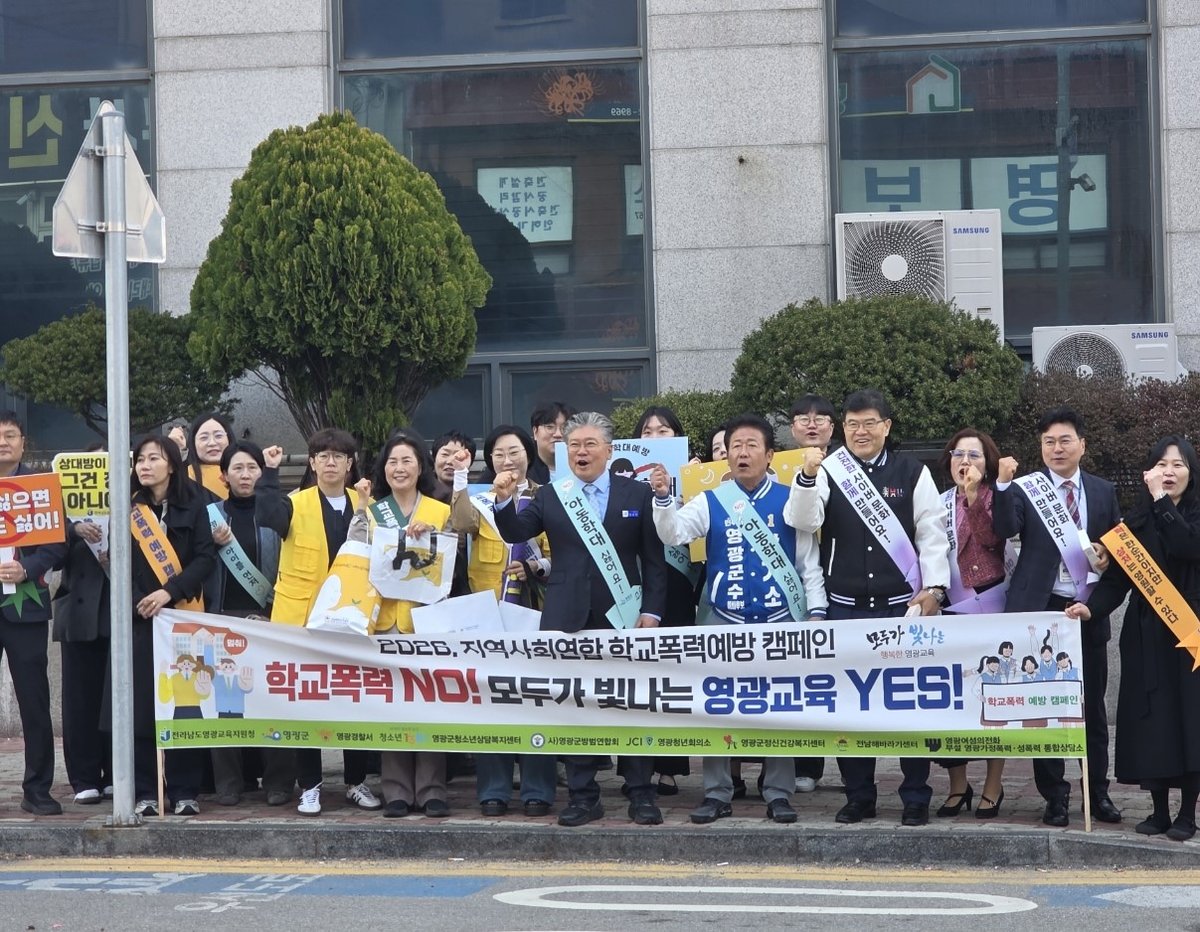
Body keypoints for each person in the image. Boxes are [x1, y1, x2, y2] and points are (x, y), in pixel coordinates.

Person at [493, 411, 667, 827]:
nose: (581, 452)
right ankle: (583, 795)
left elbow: (653, 560)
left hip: (624, 615)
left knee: (632, 703)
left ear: (609, 450)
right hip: (566, 615)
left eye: (590, 444)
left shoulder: (636, 493)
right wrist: (503, 501)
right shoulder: (553, 495)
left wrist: (652, 611)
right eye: (573, 445)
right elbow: (517, 532)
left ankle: (641, 791)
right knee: (573, 705)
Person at [785, 389, 950, 827]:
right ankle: (859, 795)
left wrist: (935, 588)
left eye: (870, 423)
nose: (861, 432)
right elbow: (803, 521)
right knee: (850, 706)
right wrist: (806, 476)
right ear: (843, 428)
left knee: (910, 704)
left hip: (901, 609)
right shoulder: (827, 470)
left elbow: (932, 532)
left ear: (887, 427)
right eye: (853, 424)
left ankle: (915, 795)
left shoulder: (911, 471)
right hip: (845, 610)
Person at [652, 414, 828, 825]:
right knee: (717, 707)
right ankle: (717, 792)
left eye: (752, 445)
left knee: (779, 709)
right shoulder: (711, 500)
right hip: (723, 620)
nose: (743, 453)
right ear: (726, 455)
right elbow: (673, 534)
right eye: (736, 446)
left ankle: (779, 793)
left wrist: (816, 612)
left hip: (780, 620)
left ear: (770, 455)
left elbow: (808, 564)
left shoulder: (790, 497)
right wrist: (662, 499)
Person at [1065, 435, 1200, 841]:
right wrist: (1091, 608)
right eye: (1161, 465)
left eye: (1177, 465)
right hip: (1144, 634)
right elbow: (1117, 582)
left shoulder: (1193, 516)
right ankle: (1158, 811)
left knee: (1189, 719)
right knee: (1151, 718)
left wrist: (1161, 502)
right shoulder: (1134, 525)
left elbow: (1185, 545)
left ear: (1191, 472)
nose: (1168, 472)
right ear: (1148, 472)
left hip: (1189, 631)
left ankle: (1187, 814)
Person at [993, 406, 1122, 827]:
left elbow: (1115, 548)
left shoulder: (1102, 491)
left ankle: (1096, 792)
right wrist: (1002, 484)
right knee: (1043, 710)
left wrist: (1105, 557)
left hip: (1085, 611)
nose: (1056, 448)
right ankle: (1055, 796)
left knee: (1092, 710)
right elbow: (1004, 528)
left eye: (1065, 440)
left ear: (1082, 444)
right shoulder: (1026, 488)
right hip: (1041, 611)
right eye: (1048, 442)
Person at [257, 429, 380, 816]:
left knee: (355, 700)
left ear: (350, 463)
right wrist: (270, 473)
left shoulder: (368, 505)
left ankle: (356, 781)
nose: (330, 462)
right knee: (305, 702)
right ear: (311, 463)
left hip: (353, 618)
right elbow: (268, 516)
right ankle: (309, 786)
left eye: (338, 456)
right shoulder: (295, 503)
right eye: (323, 456)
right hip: (303, 621)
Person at [449, 425, 555, 816]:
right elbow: (460, 523)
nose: (506, 460)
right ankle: (493, 789)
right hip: (489, 614)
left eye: (513, 452)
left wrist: (536, 567)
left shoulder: (549, 497)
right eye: (498, 454)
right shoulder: (480, 499)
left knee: (537, 699)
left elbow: (558, 553)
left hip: (534, 611)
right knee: (491, 700)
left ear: (529, 454)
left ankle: (537, 790)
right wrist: (462, 475)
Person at [117, 433, 216, 816]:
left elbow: (205, 559)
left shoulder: (195, 506)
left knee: (185, 703)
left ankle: (185, 790)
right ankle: (146, 791)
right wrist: (141, 601)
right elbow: (119, 565)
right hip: (142, 620)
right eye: (140, 459)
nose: (145, 465)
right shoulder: (127, 509)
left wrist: (168, 592)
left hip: (184, 617)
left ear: (172, 465)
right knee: (142, 707)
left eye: (153, 458)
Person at [361, 431, 453, 818]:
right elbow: (357, 560)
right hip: (385, 622)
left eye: (407, 461)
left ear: (421, 467)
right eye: (392, 461)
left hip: (426, 621)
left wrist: (429, 540)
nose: (399, 468)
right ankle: (396, 790)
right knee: (393, 707)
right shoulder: (372, 512)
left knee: (429, 705)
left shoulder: (440, 510)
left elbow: (452, 564)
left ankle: (432, 790)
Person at [205, 440, 293, 806]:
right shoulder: (209, 516)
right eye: (237, 468)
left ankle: (279, 782)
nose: (245, 475)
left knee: (274, 702)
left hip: (270, 619)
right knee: (225, 704)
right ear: (224, 476)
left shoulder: (277, 510)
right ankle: (228, 783)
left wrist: (275, 613)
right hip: (221, 619)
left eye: (252, 467)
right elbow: (192, 561)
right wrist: (209, 543)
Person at [934, 429, 1009, 820]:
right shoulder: (939, 503)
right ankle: (958, 785)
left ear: (988, 462)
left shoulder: (999, 498)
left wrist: (974, 495)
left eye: (974, 455)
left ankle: (994, 785)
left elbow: (991, 539)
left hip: (990, 608)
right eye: (958, 454)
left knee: (992, 701)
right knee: (952, 703)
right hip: (950, 610)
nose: (965, 461)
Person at [0, 412, 68, 814]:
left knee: (34, 701)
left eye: (10, 435)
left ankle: (37, 789)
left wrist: (28, 567)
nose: (3, 442)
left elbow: (58, 545)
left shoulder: (41, 489)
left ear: (24, 442)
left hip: (24, 608)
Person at [629, 405, 696, 797]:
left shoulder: (692, 476)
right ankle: (633, 767)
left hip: (677, 583)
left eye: (664, 430)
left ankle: (669, 767)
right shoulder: (624, 479)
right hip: (635, 584)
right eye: (647, 432)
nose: (655, 437)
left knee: (673, 676)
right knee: (636, 677)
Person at [788, 394, 836, 794]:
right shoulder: (779, 467)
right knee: (801, 683)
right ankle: (804, 765)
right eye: (803, 418)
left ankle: (849, 766)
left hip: (840, 583)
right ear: (792, 428)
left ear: (833, 428)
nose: (812, 423)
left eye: (820, 418)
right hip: (794, 583)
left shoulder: (846, 467)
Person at [52, 507, 112, 806]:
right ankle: (85, 777)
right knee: (80, 699)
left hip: (122, 607)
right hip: (78, 607)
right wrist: (73, 530)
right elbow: (48, 552)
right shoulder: (59, 494)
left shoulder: (137, 494)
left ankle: (116, 772)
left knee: (117, 698)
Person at [187, 411, 234, 500]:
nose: (212, 443)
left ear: (229, 438)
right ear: (193, 443)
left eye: (218, 436)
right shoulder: (185, 478)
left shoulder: (249, 473)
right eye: (204, 438)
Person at [527, 401, 576, 484]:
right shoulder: (525, 470)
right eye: (550, 427)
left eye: (565, 428)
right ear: (535, 432)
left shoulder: (584, 467)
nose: (558, 434)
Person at [432, 430, 476, 501]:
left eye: (458, 456)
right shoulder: (421, 491)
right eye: (445, 454)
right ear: (434, 459)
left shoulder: (477, 494)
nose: (450, 461)